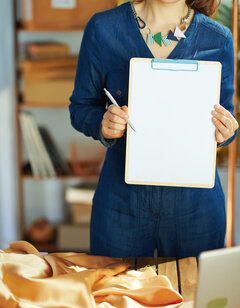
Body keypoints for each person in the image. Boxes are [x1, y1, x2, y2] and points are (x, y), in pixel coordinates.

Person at [69, 0, 238, 258]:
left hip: (196, 206)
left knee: (195, 294)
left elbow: (226, 116)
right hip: (121, 201)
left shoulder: (217, 39)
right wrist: (102, 123)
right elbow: (81, 107)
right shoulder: (103, 29)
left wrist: (226, 130)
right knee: (115, 293)